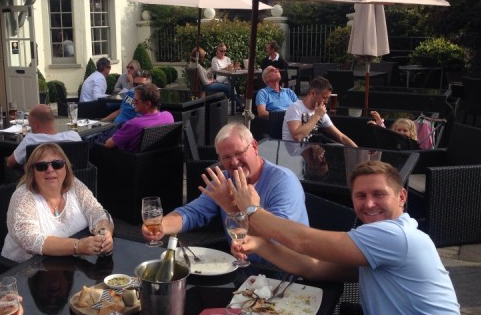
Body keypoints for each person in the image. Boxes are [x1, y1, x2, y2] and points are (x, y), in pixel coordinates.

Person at [228, 160, 469, 315]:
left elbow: (304, 241)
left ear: (402, 196)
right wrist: (261, 245)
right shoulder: (382, 244)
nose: (369, 203)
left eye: (379, 194)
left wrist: (252, 210)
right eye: (360, 195)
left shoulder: (397, 236)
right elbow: (315, 267)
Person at [142, 123, 308, 263]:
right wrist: (161, 226)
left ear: (255, 147)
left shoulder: (283, 182)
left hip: (284, 270)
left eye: (239, 153)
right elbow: (193, 213)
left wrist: (231, 207)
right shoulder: (225, 180)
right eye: (226, 157)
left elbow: (276, 241)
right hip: (242, 267)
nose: (234, 162)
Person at [1, 143, 113, 262]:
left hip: (70, 264)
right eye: (41, 166)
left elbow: (96, 211)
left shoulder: (74, 185)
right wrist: (78, 246)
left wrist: (103, 234)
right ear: (32, 172)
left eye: (57, 164)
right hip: (25, 268)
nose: (50, 170)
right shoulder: (23, 197)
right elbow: (30, 240)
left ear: (66, 167)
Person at [282, 76, 357, 147]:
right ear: (313, 93)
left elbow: (341, 137)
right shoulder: (295, 108)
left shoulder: (320, 112)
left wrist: (358, 151)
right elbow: (297, 136)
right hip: (292, 153)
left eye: (328, 98)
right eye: (324, 97)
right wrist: (317, 116)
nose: (326, 102)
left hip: (311, 152)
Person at [6, 104, 82, 169]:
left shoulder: (30, 140)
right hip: (73, 178)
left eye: (30, 125)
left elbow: (10, 163)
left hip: (39, 181)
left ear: (35, 125)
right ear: (53, 120)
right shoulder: (74, 136)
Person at [103, 83, 174, 152]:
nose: (133, 102)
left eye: (136, 100)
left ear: (147, 104)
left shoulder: (134, 124)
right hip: (153, 157)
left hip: (123, 157)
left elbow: (108, 145)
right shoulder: (168, 116)